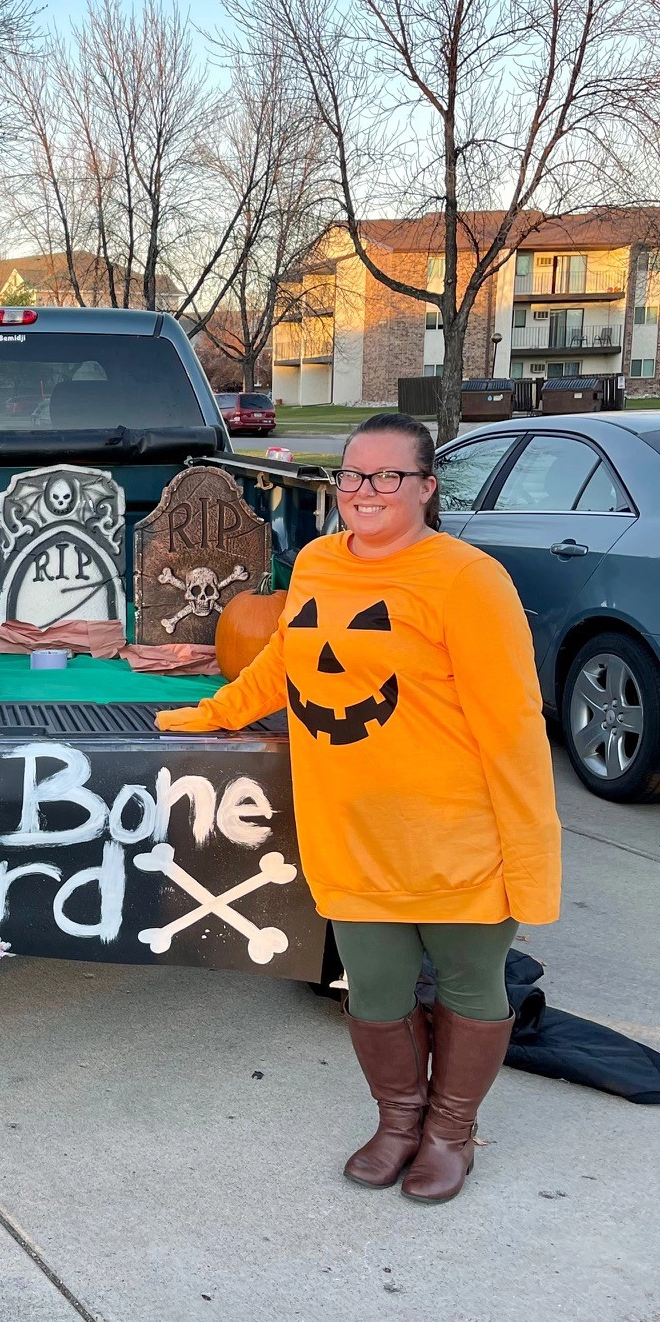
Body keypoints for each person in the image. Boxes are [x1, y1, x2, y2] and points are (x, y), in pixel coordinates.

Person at [158, 412, 561, 1203]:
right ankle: (398, 1120)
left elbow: (513, 727)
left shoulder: (467, 579)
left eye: (388, 477)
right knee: (373, 993)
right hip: (353, 835)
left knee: (471, 991)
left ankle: (452, 1132)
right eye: (352, 475)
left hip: (457, 839)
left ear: (426, 487)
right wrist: (211, 712)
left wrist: (531, 854)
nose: (365, 491)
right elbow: (286, 661)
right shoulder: (314, 564)